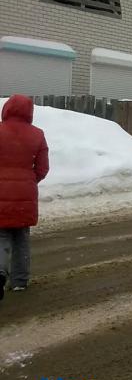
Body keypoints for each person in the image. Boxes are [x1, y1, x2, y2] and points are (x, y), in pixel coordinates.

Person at [0, 95, 49, 299]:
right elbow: (43, 168)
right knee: (21, 237)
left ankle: (0, 273)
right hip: (26, 194)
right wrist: (29, 180)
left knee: (1, 236)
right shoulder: (37, 135)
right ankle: (19, 281)